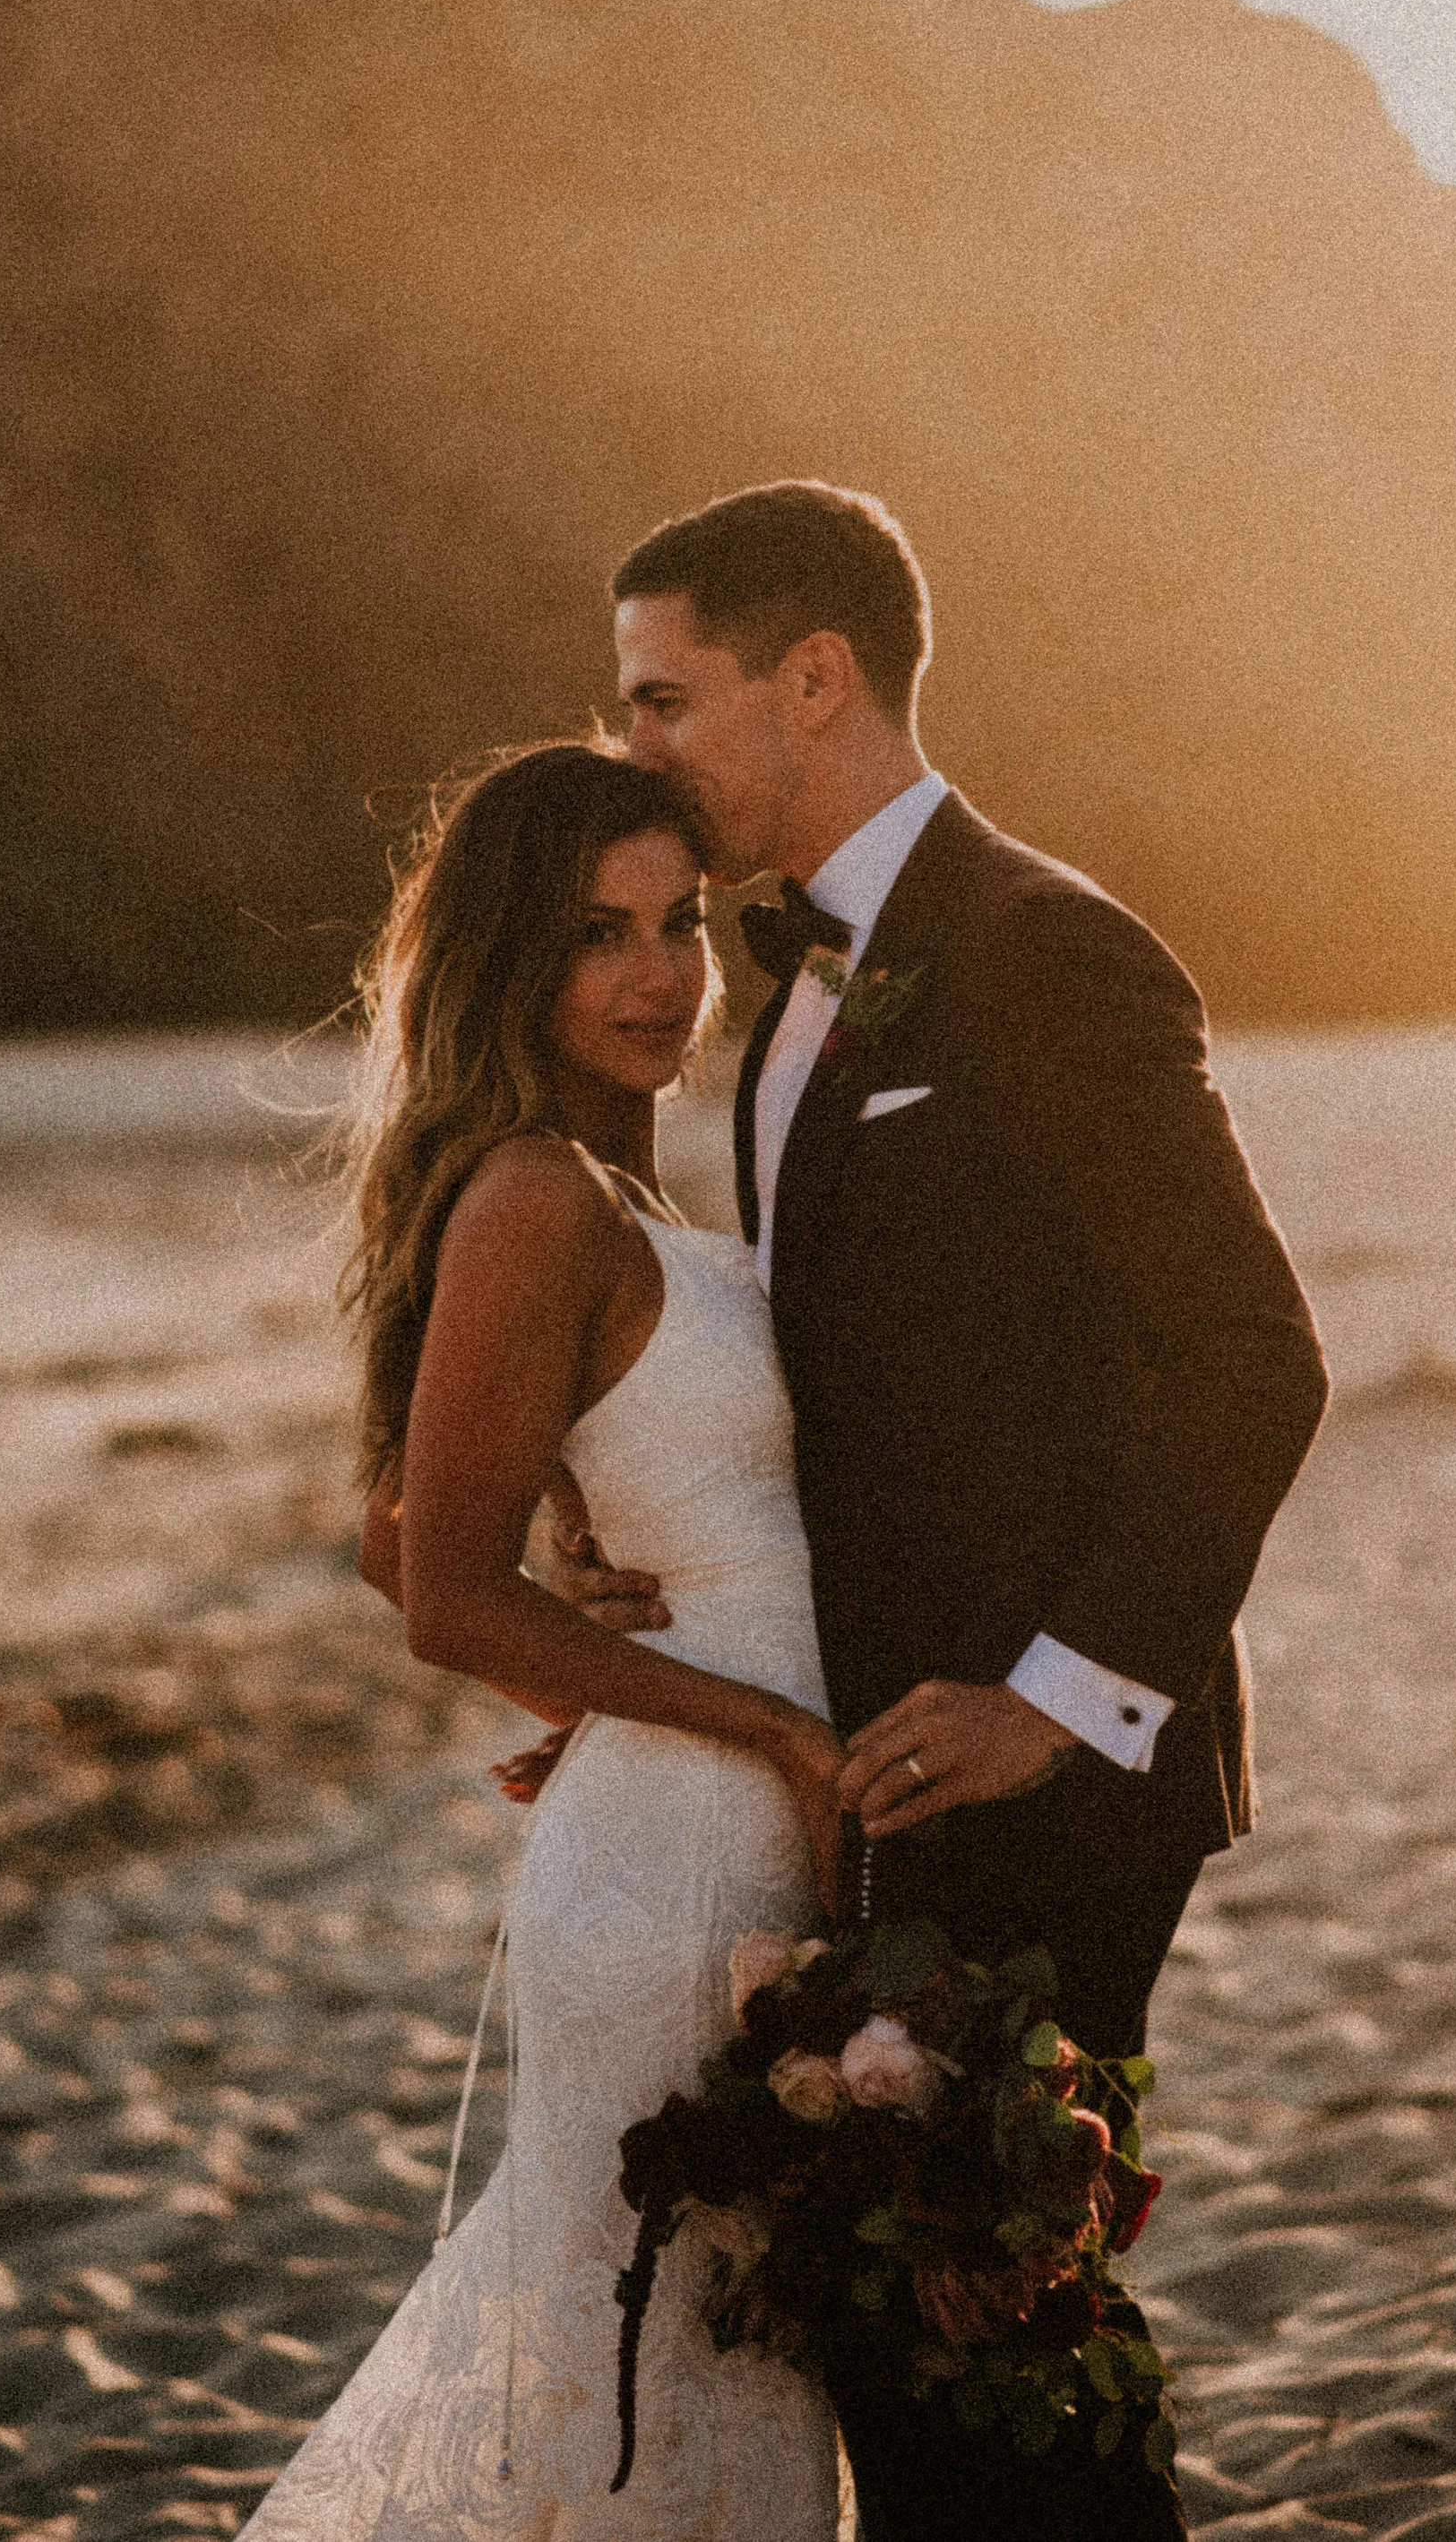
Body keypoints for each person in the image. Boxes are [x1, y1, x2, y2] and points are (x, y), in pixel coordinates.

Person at [556, 479, 1331, 2540]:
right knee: (925, 2370)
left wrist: (1055, 1696)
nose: (628, 749)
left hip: (1042, 1787)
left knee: (997, 2368)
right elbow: (862, 1390)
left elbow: (1253, 1358)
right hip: (880, 1767)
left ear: (815, 677)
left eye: (663, 698)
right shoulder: (794, 981)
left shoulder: (1044, 952)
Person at [238, 742, 844, 2541]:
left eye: (682, 922)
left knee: (688, 2360)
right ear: (515, 957)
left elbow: (397, 1532)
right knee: (641, 2358)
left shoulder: (631, 1189)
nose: (661, 974)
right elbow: (436, 1586)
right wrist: (765, 1732)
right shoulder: (531, 1197)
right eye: (599, 933)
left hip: (704, 1816)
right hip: (677, 1867)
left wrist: (587, 1674)